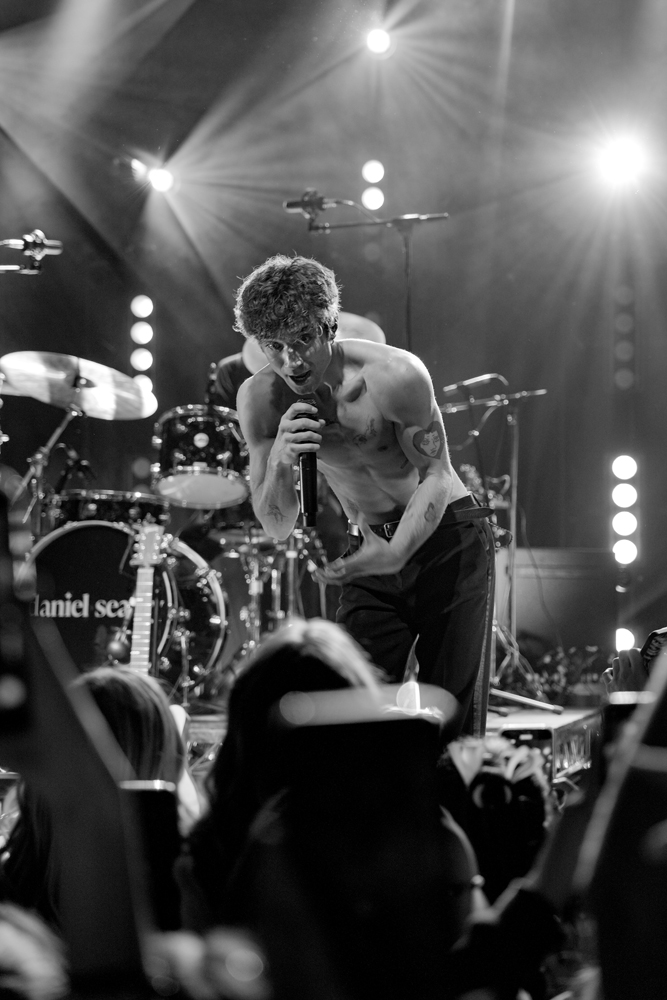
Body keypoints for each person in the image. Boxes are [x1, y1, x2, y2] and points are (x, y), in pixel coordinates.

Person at [234, 254, 495, 736]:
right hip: (371, 548)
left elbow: (437, 473)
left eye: (303, 340)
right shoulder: (260, 401)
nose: (292, 361)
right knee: (353, 717)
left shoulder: (393, 375)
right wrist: (280, 461)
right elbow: (276, 524)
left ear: (329, 326)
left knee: (450, 723)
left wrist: (397, 552)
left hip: (447, 537)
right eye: (275, 346)